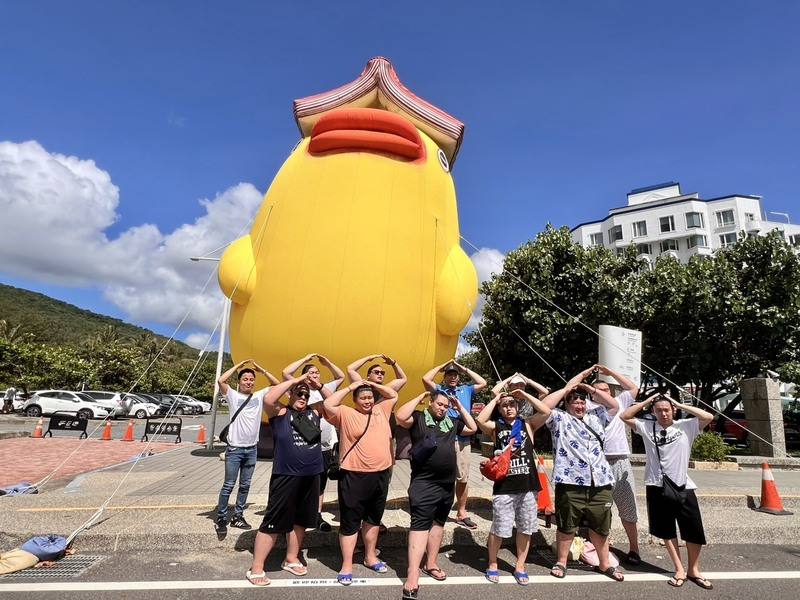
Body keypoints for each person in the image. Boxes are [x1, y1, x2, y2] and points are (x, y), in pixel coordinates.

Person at [537, 366, 623, 581]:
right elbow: (545, 405)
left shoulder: (597, 416)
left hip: (601, 481)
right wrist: (568, 387)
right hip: (569, 480)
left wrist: (589, 388)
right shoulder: (558, 419)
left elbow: (614, 404)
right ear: (567, 404)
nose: (579, 404)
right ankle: (561, 561)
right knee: (567, 525)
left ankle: (604, 564)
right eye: (574, 401)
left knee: (601, 526)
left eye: (582, 401)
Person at [620, 394, 714, 590]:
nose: (663, 413)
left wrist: (679, 403)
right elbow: (625, 416)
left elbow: (708, 417)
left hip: (683, 485)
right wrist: (648, 401)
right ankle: (679, 569)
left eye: (667, 410)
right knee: (666, 529)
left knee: (693, 529)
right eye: (659, 410)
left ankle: (694, 569)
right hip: (656, 484)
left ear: (673, 411)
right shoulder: (647, 427)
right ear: (654, 412)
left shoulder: (686, 426)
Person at [246, 373, 327, 586]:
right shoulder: (281, 412)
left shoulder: (314, 412)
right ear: (290, 394)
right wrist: (294, 381)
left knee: (301, 521)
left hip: (311, 475)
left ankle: (291, 558)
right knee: (273, 520)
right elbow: (268, 399)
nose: (303, 397)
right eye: (299, 394)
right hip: (286, 475)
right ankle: (257, 567)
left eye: (306, 395)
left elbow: (331, 401)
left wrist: (319, 385)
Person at [395, 390, 477, 599]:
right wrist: (418, 397)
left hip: (446, 484)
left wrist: (459, 408)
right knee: (420, 525)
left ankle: (431, 563)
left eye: (445, 405)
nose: (443, 408)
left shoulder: (452, 422)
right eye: (439, 404)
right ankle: (412, 575)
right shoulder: (419, 418)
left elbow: (472, 428)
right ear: (430, 403)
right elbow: (400, 416)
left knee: (439, 523)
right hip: (424, 483)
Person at [324, 379, 398, 585]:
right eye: (363, 398)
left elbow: (393, 394)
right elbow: (328, 404)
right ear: (355, 400)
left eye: (370, 397)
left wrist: (371, 385)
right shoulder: (346, 413)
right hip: (353, 475)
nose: (368, 401)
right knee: (350, 521)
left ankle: (370, 556)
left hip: (381, 474)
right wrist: (350, 386)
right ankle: (347, 564)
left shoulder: (381, 409)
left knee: (374, 519)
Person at [476, 389, 551, 585]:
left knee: (526, 528)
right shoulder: (496, 427)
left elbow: (546, 412)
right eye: (505, 405)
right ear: (500, 409)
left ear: (518, 407)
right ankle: (492, 563)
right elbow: (480, 419)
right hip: (504, 486)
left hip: (528, 485)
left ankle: (520, 565)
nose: (509, 408)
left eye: (512, 404)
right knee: (499, 528)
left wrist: (525, 396)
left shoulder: (527, 424)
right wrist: (495, 398)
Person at [585, 364, 642, 564]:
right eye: (599, 391)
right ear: (592, 394)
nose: (603, 393)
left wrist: (611, 374)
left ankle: (634, 548)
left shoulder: (620, 401)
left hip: (621, 460)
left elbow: (633, 388)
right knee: (601, 509)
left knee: (628, 506)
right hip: (598, 462)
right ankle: (603, 550)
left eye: (606, 390)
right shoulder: (586, 407)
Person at [215, 360, 279, 534]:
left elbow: (277, 384)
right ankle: (221, 517)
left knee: (245, 485)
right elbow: (221, 380)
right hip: (235, 449)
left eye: (251, 379)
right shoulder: (233, 396)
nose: (249, 382)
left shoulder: (258, 396)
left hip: (252, 449)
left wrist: (262, 369)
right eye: (245, 379)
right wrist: (239, 366)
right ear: (239, 382)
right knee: (229, 484)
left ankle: (238, 516)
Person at [283, 354, 345, 532]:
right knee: (301, 480)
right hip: (305, 445)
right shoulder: (299, 388)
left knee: (320, 482)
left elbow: (340, 377)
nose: (315, 375)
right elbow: (286, 372)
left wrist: (328, 363)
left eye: (317, 372)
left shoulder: (325, 388)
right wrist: (304, 360)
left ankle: (316, 515)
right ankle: (295, 512)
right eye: (311, 372)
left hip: (325, 445)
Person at [422, 360, 487, 529]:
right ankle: (434, 509)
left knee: (462, 477)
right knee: (439, 473)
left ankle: (461, 512)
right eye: (449, 374)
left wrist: (464, 368)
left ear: (458, 377)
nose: (452, 377)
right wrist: (441, 366)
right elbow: (425, 379)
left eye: (454, 374)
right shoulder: (440, 390)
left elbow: (483, 383)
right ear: (444, 377)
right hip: (443, 436)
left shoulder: (465, 389)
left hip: (463, 436)